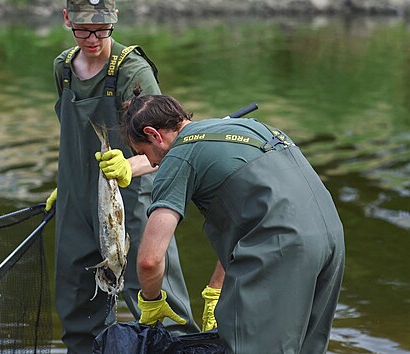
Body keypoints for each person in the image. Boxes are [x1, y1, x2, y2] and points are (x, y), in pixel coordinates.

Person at [122, 94, 345, 353]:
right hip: (331, 238)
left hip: (280, 246)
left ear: (154, 135)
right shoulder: (251, 127)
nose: (150, 163)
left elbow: (149, 260)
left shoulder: (179, 156)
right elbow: (247, 216)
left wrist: (150, 301)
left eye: (143, 152)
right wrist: (216, 287)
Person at [44, 1, 200, 352]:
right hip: (76, 204)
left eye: (102, 29)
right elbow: (72, 137)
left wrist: (130, 167)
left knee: (156, 299)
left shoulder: (132, 70)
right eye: (83, 29)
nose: (93, 39)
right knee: (77, 308)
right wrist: (68, 185)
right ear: (67, 19)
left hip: (132, 202)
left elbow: (169, 150)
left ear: (115, 21)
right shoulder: (63, 68)